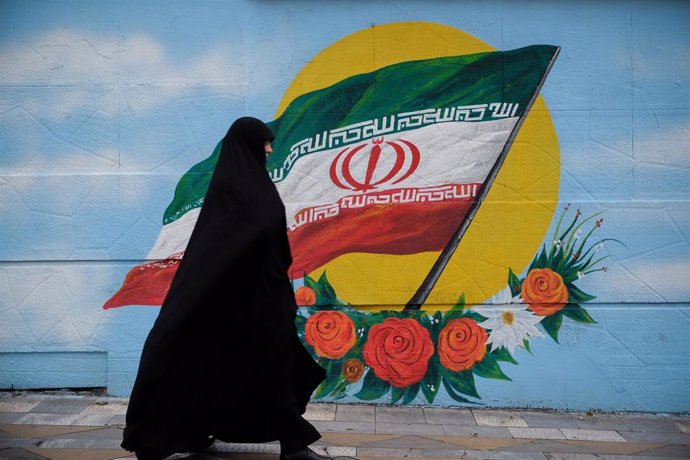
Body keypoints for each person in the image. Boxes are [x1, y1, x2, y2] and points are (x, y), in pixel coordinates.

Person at [121, 117, 331, 460]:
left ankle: (200, 433)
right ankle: (293, 445)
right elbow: (225, 249)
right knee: (261, 366)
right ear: (246, 144)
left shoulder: (253, 185)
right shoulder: (234, 190)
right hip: (240, 304)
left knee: (257, 367)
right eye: (263, 143)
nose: (268, 150)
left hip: (261, 299)